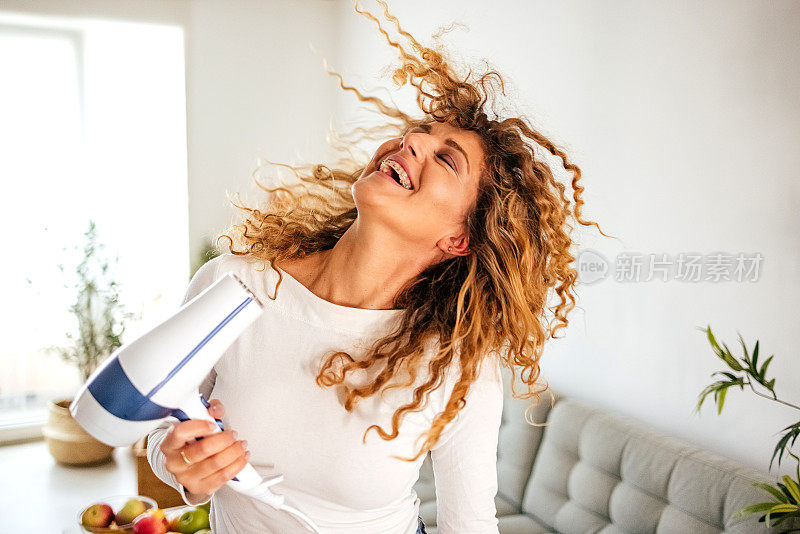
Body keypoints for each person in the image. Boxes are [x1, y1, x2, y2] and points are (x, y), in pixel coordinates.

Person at [146, 1, 609, 533]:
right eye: (421, 133)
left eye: (445, 158)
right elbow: (163, 426)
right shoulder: (236, 284)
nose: (411, 141)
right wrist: (185, 470)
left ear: (458, 239)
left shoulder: (455, 361)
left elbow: (470, 524)